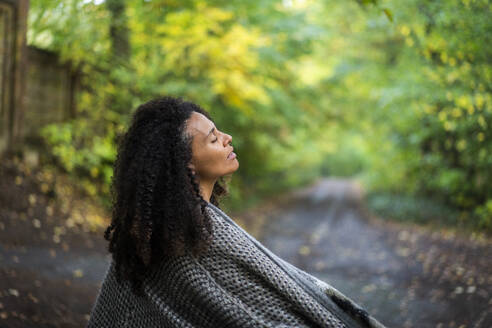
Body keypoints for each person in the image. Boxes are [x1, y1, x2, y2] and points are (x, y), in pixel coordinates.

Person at [86, 96, 386, 328]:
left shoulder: (155, 228)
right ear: (185, 163)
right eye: (214, 138)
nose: (227, 137)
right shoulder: (193, 234)